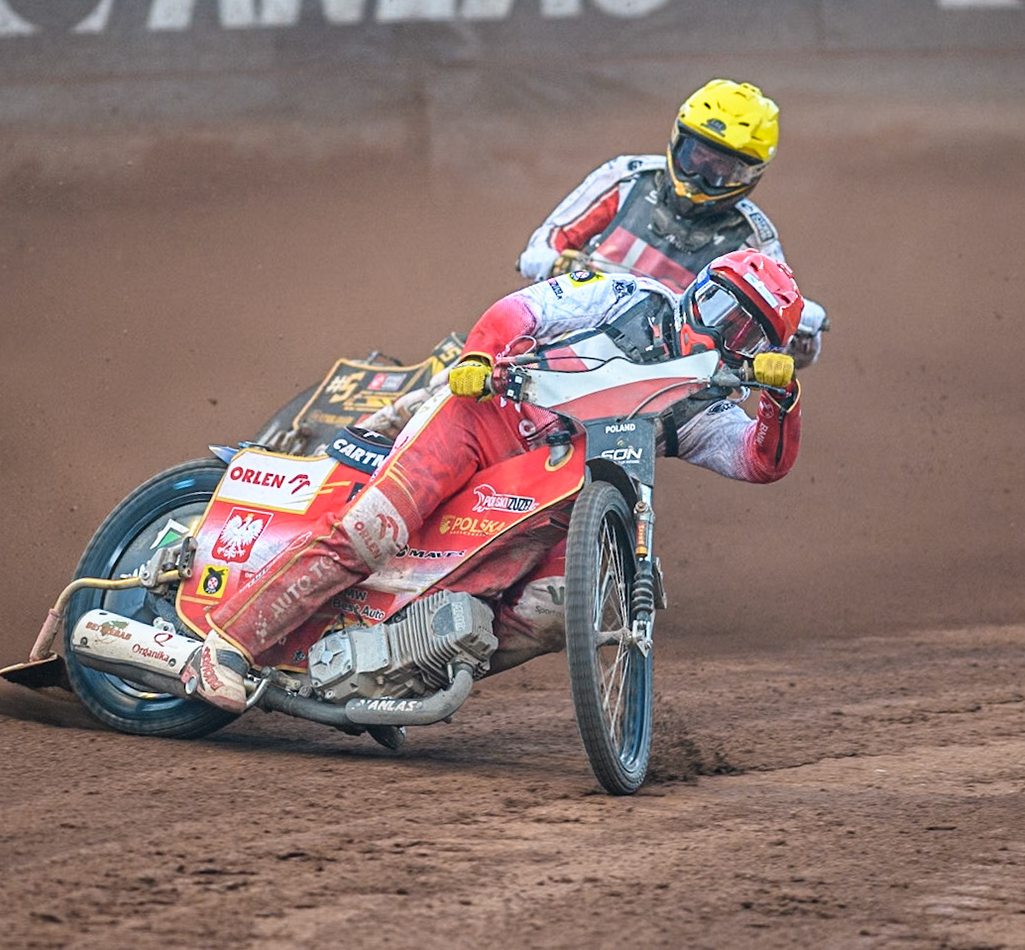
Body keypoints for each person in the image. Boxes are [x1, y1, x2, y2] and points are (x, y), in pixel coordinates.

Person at [180, 250, 805, 713]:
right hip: (481, 423)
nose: (726, 334)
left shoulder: (705, 411)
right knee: (373, 533)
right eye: (724, 309)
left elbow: (759, 461)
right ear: (699, 289)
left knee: (564, 611)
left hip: (555, 499)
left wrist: (783, 400)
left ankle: (401, 673)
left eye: (749, 336)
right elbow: (523, 308)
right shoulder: (627, 295)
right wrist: (481, 354)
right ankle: (229, 644)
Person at [514, 79, 826, 369]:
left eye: (720, 170)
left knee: (733, 429)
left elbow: (785, 335)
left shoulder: (753, 238)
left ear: (749, 176)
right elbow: (537, 251)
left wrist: (800, 338)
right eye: (694, 158)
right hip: (570, 344)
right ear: (677, 142)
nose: (699, 178)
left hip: (668, 384)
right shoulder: (627, 179)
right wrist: (556, 265)